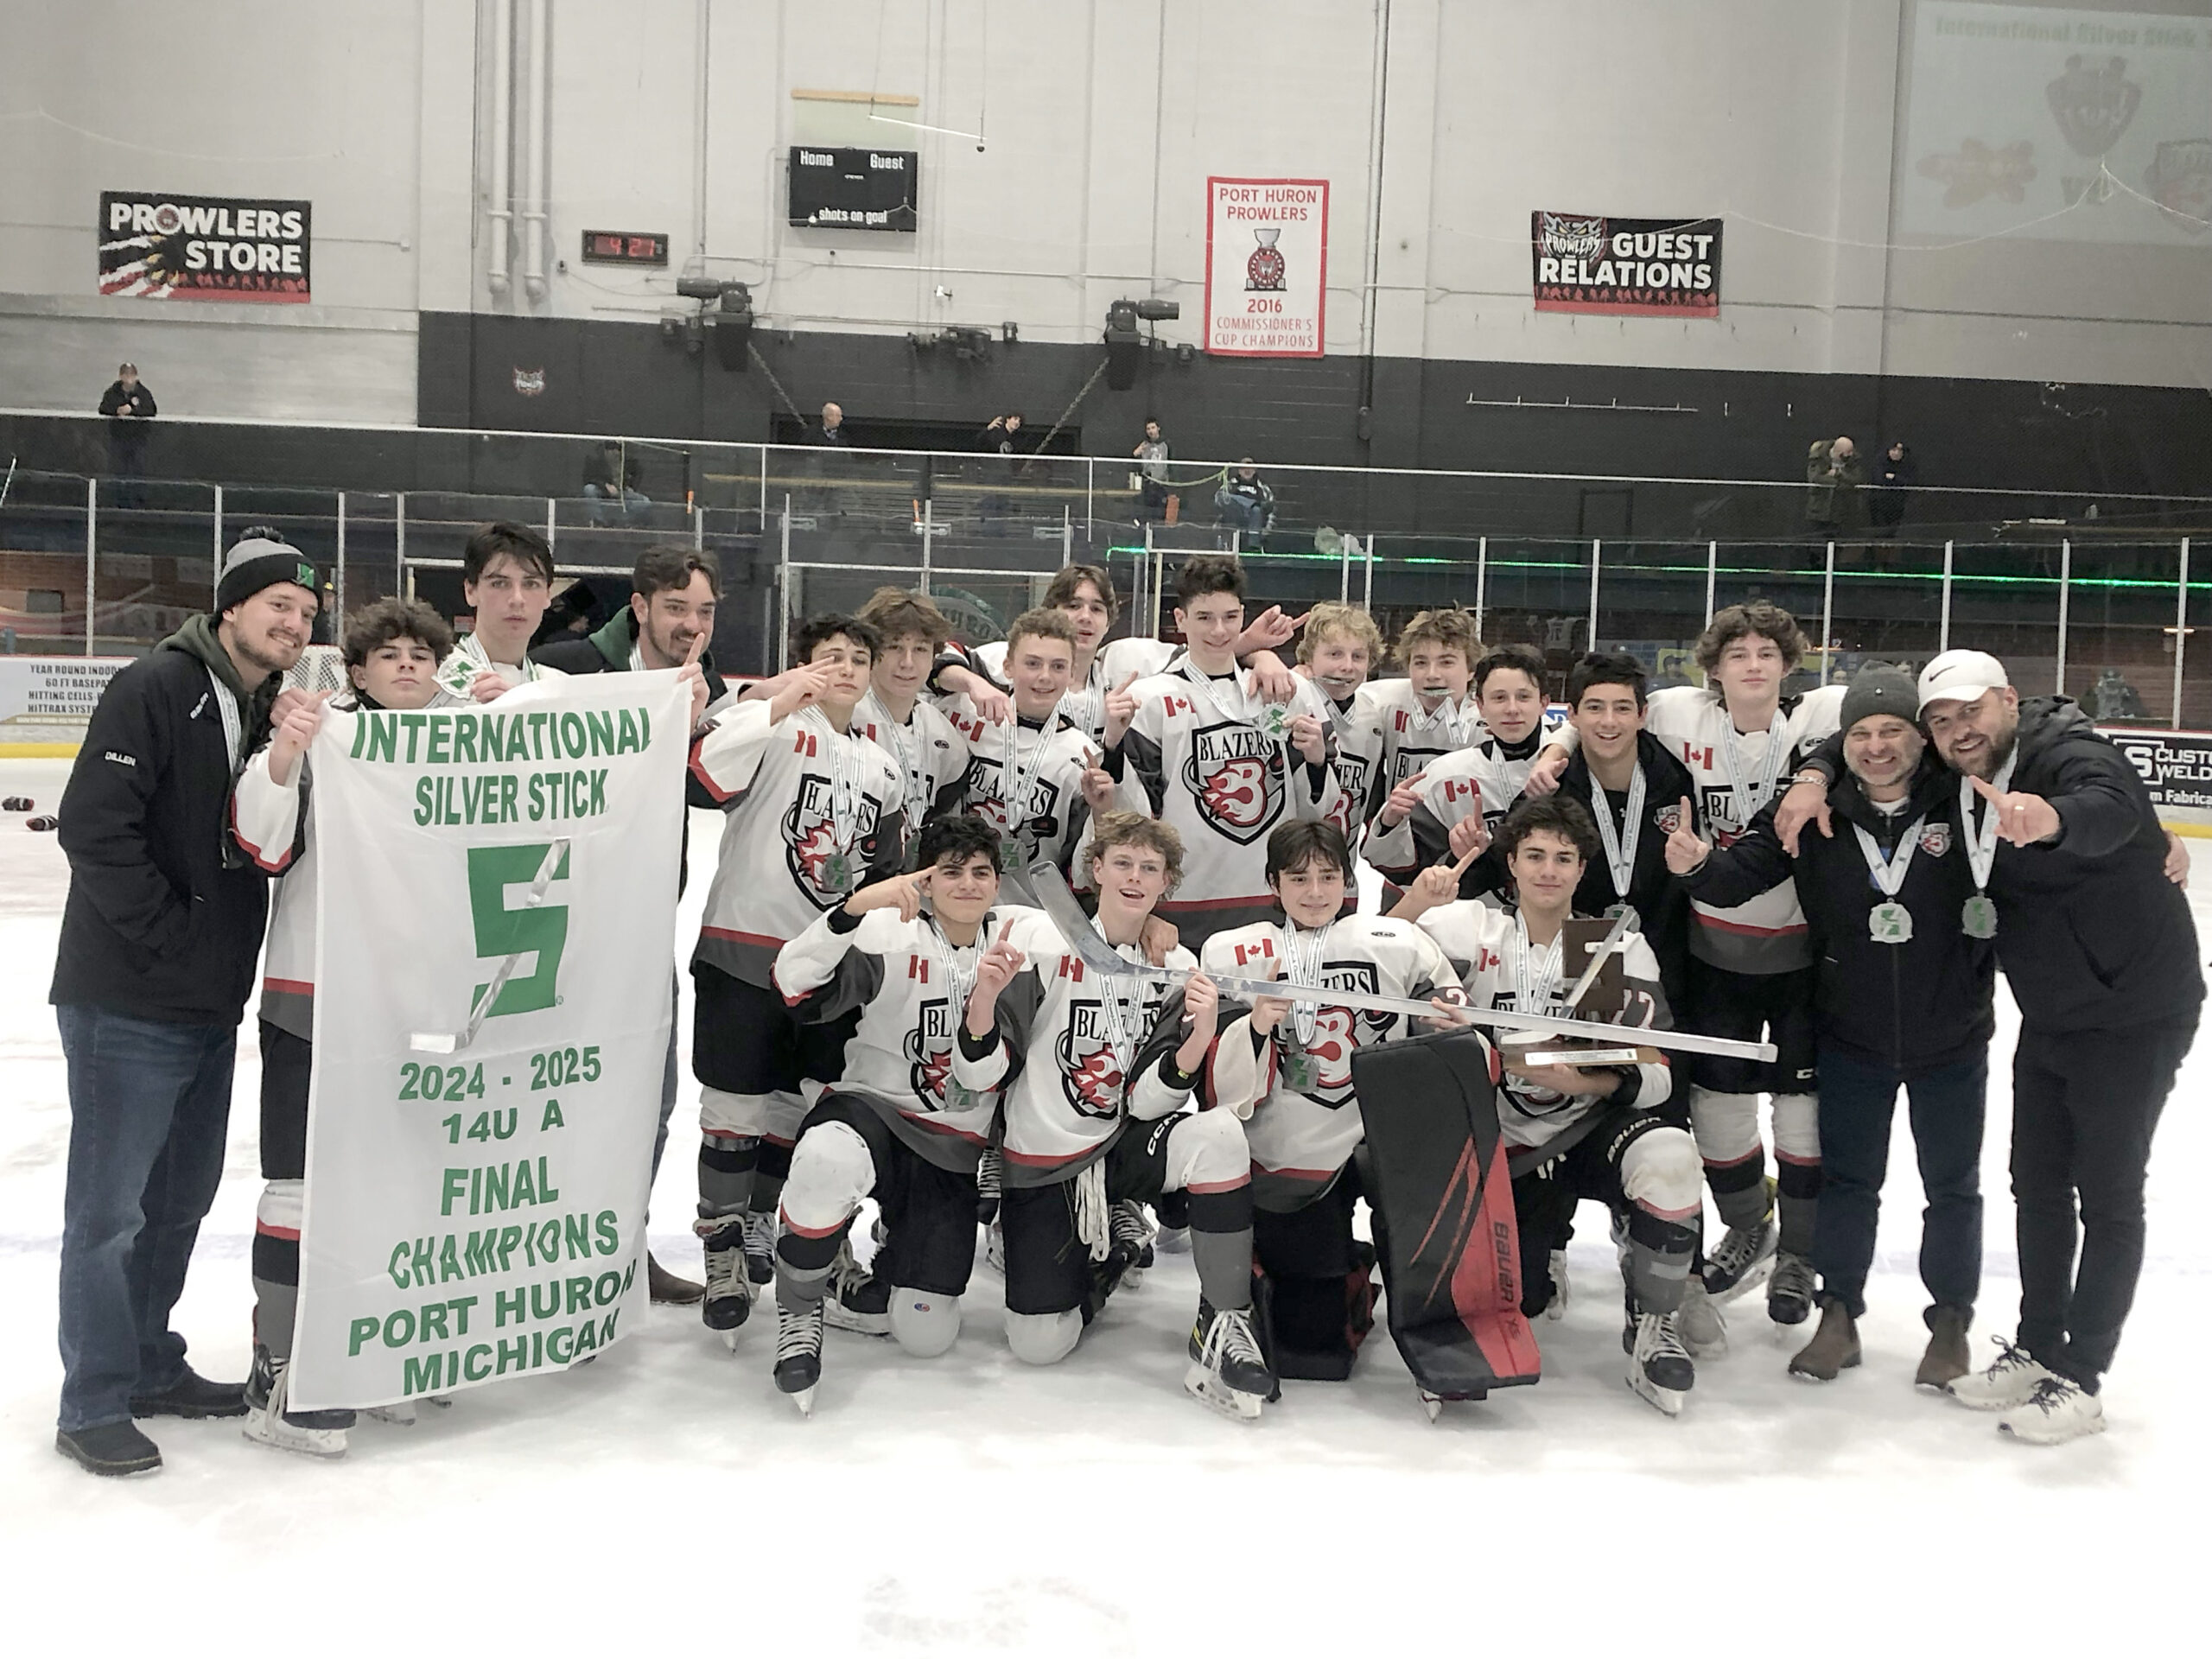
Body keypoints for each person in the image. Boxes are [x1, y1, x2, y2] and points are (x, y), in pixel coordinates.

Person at [1774, 649, 2202, 1443]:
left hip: (2133, 1011)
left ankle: (2082, 1375)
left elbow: (2107, 800)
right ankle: (2038, 1348)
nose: (1955, 730)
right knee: (2034, 1187)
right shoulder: (1954, 781)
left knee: (2107, 1196)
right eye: (1940, 720)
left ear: (2008, 700)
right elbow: (1857, 737)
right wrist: (1811, 772)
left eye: (1969, 711)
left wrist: (2058, 820)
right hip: (2053, 1011)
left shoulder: (2064, 752)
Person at [49, 533, 321, 1476]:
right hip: (127, 999)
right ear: (231, 608)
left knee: (176, 1204)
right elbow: (92, 826)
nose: (294, 623)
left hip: (206, 1005)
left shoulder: (259, 708)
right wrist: (169, 936)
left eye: (306, 613)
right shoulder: (157, 687)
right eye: (277, 605)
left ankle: (149, 1363)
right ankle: (90, 1399)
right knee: (112, 1211)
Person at [1670, 664, 1992, 1388]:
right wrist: (1697, 867)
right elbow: (1743, 870)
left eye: (1895, 733)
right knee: (1851, 1182)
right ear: (1844, 740)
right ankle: (1839, 1314)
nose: (1877, 748)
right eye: (1863, 734)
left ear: (1922, 739)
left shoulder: (1965, 803)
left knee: (1953, 1186)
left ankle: (1949, 1325)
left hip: (1953, 1035)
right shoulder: (1813, 812)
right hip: (1852, 1032)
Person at [1527, 602, 1846, 1328]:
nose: (1754, 666)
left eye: (1768, 652)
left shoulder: (1818, 713)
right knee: (1696, 1108)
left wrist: (1816, 774)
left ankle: (1789, 1255)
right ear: (1714, 667)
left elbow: (1882, 714)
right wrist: (1558, 745)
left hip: (1801, 945)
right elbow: (1601, 709)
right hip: (1701, 946)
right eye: (1738, 655)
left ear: (1790, 662)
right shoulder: (1679, 712)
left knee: (1800, 1118)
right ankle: (1605, 1235)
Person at [227, 597, 461, 1454]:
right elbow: (261, 841)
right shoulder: (325, 737)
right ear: (355, 670)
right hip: (312, 991)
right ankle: (277, 1371)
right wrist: (286, 749)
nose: (406, 664)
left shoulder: (465, 749)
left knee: (397, 1183)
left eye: (422, 654)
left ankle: (371, 1348)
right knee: (299, 1190)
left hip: (412, 1006)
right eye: (388, 653)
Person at [1395, 796, 1701, 1415]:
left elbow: (1659, 1070)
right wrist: (1416, 904)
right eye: (1534, 855)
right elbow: (1370, 951)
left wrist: (1589, 1083)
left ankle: (1651, 1321)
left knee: (1669, 1152)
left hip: (1581, 1126)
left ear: (1583, 869)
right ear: (1510, 863)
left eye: (1564, 858)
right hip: (1490, 1137)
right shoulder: (1470, 928)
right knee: (1526, 1298)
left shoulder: (1605, 946)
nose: (1548, 871)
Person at [988, 812, 1274, 1418]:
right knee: (1039, 1345)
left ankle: (1224, 1320)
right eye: (1123, 863)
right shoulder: (1041, 938)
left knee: (1219, 1134)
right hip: (1046, 1154)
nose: (1135, 877)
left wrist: (1197, 1039)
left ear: (1167, 883)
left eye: (1151, 868)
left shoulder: (1176, 965)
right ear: (1094, 869)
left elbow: (1147, 1101)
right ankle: (1102, 1254)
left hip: (1122, 1145)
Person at [685, 614, 907, 1337]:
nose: (844, 668)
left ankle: (762, 1229)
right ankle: (720, 1250)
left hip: (824, 963)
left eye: (857, 658)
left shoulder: (882, 764)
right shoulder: (772, 727)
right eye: (829, 657)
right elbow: (705, 773)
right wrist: (777, 698)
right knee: (734, 1110)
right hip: (746, 947)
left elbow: (883, 870)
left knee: (795, 1109)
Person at [765, 818, 1029, 1413]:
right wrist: (852, 908)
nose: (967, 884)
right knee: (827, 1161)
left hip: (951, 1145)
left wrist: (984, 1001)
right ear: (926, 882)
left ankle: (875, 1251)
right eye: (950, 872)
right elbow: (790, 983)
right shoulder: (889, 931)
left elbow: (986, 1075)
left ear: (998, 881)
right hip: (874, 1114)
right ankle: (800, 1310)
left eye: (981, 872)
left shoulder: (1019, 945)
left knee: (926, 1334)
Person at [531, 543, 728, 1303]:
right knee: (561, 1107)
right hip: (557, 931)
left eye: (704, 610)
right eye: (676, 608)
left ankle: (619, 1254)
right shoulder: (570, 665)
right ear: (640, 608)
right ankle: (551, 1268)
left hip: (642, 930)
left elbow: (704, 794)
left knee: (648, 1103)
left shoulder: (695, 677)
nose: (691, 623)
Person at [1200, 820, 1460, 1382]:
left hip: (1379, 1140)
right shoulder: (1234, 951)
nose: (1315, 892)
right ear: (1273, 883)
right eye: (1299, 878)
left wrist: (1443, 1016)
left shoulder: (1398, 941)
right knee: (1312, 1357)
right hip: (1293, 1154)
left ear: (1348, 879)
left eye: (1328, 876)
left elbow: (1451, 1015)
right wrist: (1256, 1027)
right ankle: (1347, 1270)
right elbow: (1219, 1090)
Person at [1103, 555, 1341, 947]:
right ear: (1180, 620)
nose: (1219, 630)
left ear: (1243, 616)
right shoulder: (1150, 699)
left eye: (1230, 617)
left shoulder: (1284, 693)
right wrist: (1111, 743)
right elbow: (1133, 817)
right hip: (1183, 902)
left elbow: (1319, 812)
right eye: (1204, 618)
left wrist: (1316, 762)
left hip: (1273, 899)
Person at [1366, 639, 1568, 895]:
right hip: (1476, 923)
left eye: (1524, 697)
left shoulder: (1568, 764)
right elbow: (1399, 870)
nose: (1512, 709)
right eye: (1499, 698)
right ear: (1481, 706)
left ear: (1544, 703)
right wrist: (1392, 821)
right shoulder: (1446, 774)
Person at [948, 608, 1103, 904]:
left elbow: (1080, 863)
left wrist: (1102, 810)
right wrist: (970, 682)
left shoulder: (1083, 754)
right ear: (1008, 667)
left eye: (1058, 666)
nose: (1044, 677)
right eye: (1033, 664)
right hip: (954, 903)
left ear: (1072, 674)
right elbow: (931, 660)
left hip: (1032, 914)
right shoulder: (970, 714)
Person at [852, 588, 973, 848]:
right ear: (871, 650)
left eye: (920, 649)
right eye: (895, 647)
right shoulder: (844, 716)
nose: (907, 663)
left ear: (934, 657)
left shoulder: (944, 734)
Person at [435, 522, 567, 700]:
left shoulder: (559, 690)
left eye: (531, 584)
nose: (517, 599)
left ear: (547, 595)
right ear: (470, 591)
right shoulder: (432, 676)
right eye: (499, 583)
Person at [1292, 601, 1387, 842]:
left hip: (1343, 865)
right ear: (1308, 657)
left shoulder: (1372, 718)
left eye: (1358, 656)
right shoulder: (1292, 701)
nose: (1347, 666)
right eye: (1335, 654)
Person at [99, 361, 156, 481]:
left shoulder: (143, 393)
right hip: (118, 440)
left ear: (136, 376)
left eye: (131, 375)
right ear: (120, 376)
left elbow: (151, 410)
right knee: (118, 472)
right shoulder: (112, 393)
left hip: (138, 441)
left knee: (137, 472)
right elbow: (103, 409)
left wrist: (132, 411)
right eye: (126, 375)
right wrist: (117, 410)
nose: (129, 378)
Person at [1804, 436, 1863, 538]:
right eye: (1847, 453)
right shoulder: (1818, 457)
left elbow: (1857, 479)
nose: (1850, 455)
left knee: (1837, 545)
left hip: (1840, 511)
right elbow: (1816, 478)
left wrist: (1838, 474)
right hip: (1819, 509)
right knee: (1816, 544)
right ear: (1837, 451)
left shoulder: (1853, 460)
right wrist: (1840, 483)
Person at [582, 442, 649, 524]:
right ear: (606, 451)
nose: (615, 452)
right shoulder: (595, 461)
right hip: (603, 491)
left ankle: (623, 521)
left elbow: (637, 473)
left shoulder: (628, 462)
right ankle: (599, 521)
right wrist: (605, 485)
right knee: (589, 489)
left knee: (645, 501)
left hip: (622, 492)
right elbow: (589, 478)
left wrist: (631, 487)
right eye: (611, 449)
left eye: (618, 449)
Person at [1214, 459, 1274, 540]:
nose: (1247, 470)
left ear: (1254, 470)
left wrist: (1268, 525)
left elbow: (1270, 503)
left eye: (1250, 468)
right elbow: (1220, 498)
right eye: (1243, 468)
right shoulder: (1231, 484)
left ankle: (1253, 547)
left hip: (1253, 517)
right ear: (1239, 471)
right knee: (1229, 499)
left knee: (1256, 510)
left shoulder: (1262, 486)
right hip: (1236, 515)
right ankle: (1252, 504)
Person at [1867, 442, 1916, 537]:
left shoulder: (1907, 465)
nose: (1896, 453)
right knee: (1879, 531)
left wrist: (1894, 478)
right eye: (1894, 450)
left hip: (1898, 505)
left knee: (1894, 532)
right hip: (1879, 504)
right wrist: (1896, 482)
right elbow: (1879, 480)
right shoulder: (1880, 462)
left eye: (1899, 451)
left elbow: (1909, 481)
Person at [1133, 418, 1172, 521]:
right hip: (1147, 485)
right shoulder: (1144, 445)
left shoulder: (1166, 445)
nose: (1151, 431)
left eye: (1153, 428)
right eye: (1148, 429)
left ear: (1158, 428)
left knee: (1160, 515)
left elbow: (1172, 464)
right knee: (1147, 514)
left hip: (1161, 485)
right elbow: (1135, 465)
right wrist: (1136, 455)